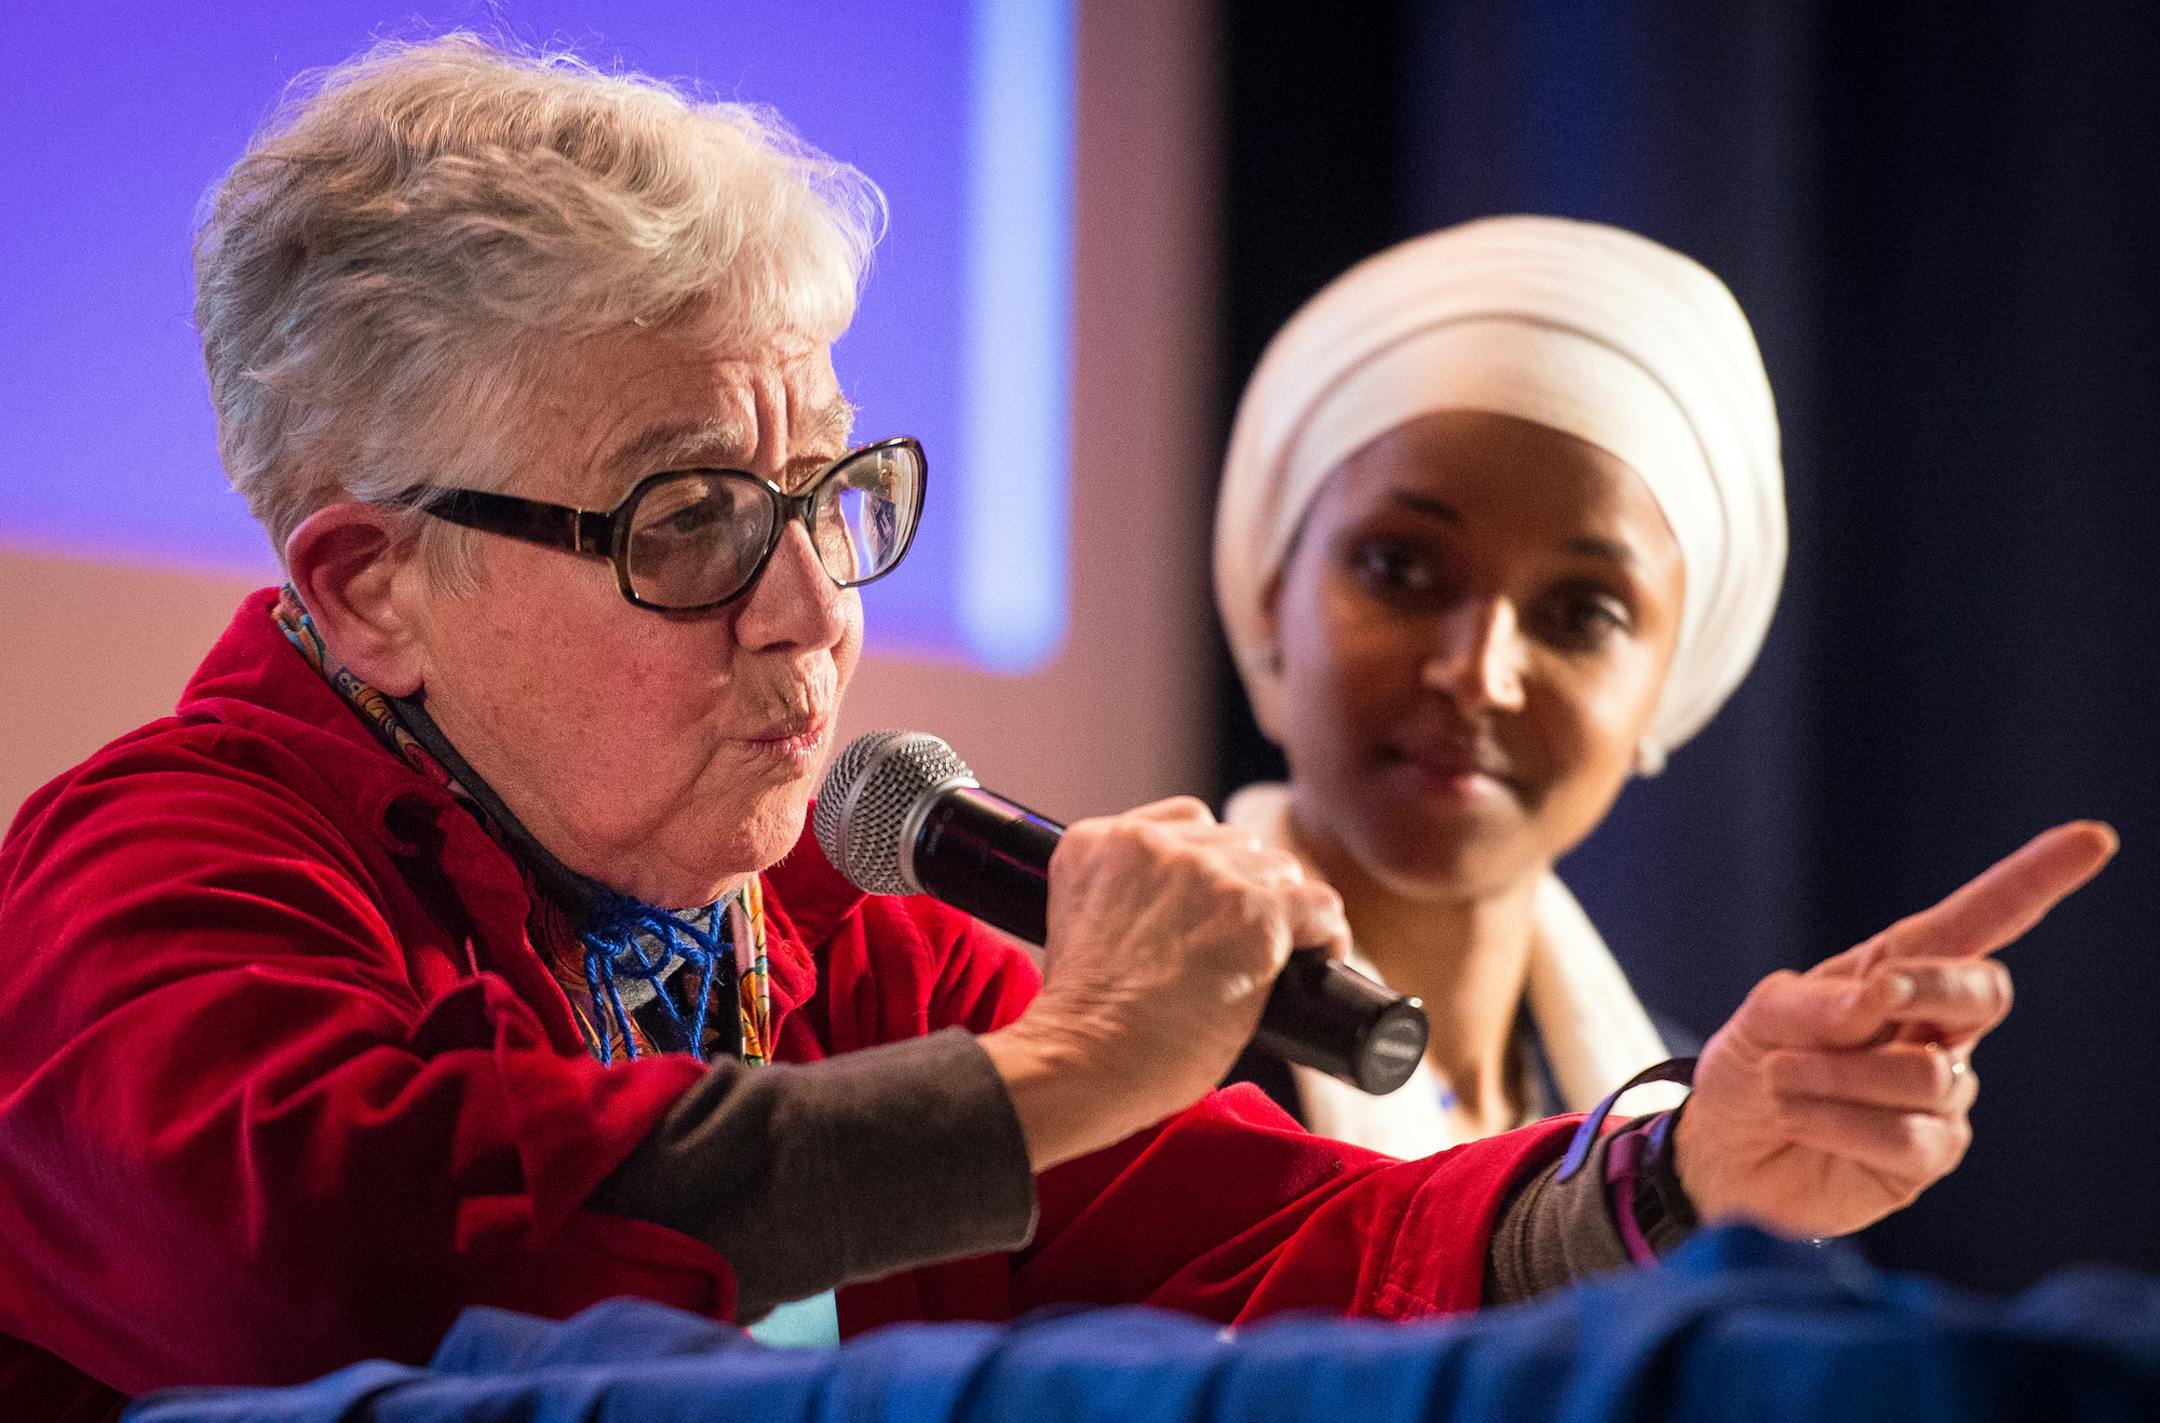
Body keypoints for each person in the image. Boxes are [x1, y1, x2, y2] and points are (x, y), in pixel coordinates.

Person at [0, 36, 2112, 1423]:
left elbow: (1297, 1244)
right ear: (371, 585)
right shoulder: (156, 871)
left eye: (831, 497)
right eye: (694, 524)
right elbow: (323, 1283)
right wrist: (1056, 1070)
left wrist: (1677, 1172)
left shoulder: (840, 944)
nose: (819, 611)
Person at [1214, 217, 1784, 1154]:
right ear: (1273, 595)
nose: (1478, 673)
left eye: (1582, 613)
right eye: (1400, 567)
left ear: (1668, 685)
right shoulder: (1110, 1080)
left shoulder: (1698, 1152)